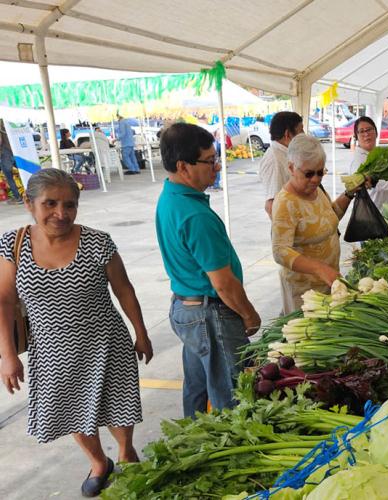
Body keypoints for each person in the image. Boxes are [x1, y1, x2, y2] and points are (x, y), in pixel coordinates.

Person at [0, 169, 152, 497]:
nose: (61, 213)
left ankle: (126, 452)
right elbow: (3, 300)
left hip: (105, 341)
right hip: (52, 350)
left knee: (119, 403)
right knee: (69, 411)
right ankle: (99, 462)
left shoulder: (98, 242)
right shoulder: (12, 245)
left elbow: (124, 290)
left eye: (69, 205)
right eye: (50, 203)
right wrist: (8, 356)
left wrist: (141, 332)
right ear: (29, 203)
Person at [155, 123, 261, 418]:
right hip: (209, 315)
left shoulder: (171, 198)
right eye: (209, 161)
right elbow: (224, 284)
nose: (216, 168)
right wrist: (249, 314)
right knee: (233, 397)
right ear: (183, 167)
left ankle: (193, 437)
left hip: (187, 309)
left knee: (198, 389)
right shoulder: (196, 215)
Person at [272, 134, 358, 314]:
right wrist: (319, 269)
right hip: (306, 295)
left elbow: (330, 216)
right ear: (291, 168)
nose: (316, 179)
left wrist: (349, 194)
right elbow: (280, 251)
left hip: (329, 284)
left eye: (320, 172)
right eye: (309, 173)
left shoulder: (316, 190)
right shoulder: (286, 203)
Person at [258, 111, 304, 218]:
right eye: (301, 130)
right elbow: (272, 206)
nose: (304, 134)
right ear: (287, 134)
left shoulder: (287, 154)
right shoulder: (275, 160)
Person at [0, 120, 23, 204]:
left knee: (9, 177)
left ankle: (18, 198)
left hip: (5, 153)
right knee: (23, 173)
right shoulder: (9, 125)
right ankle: (32, 194)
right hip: (16, 151)